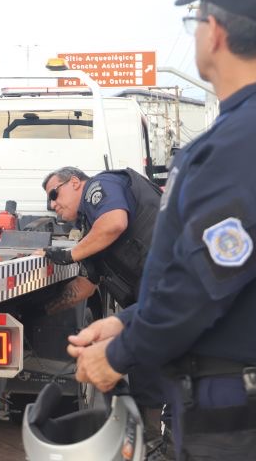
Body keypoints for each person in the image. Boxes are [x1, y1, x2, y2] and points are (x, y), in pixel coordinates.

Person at [67, 0, 256, 461]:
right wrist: (129, 321)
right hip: (246, 399)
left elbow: (205, 278)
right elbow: (223, 270)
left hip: (242, 409)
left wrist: (121, 353)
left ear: (214, 30)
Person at [40, 166, 171, 458]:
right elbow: (86, 285)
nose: (52, 205)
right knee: (146, 372)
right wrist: (46, 308)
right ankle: (151, 443)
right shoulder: (92, 231)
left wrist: (68, 254)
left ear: (75, 182)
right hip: (153, 301)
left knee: (159, 372)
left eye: (54, 194)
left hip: (171, 291)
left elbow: (115, 223)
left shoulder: (101, 186)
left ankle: (157, 445)